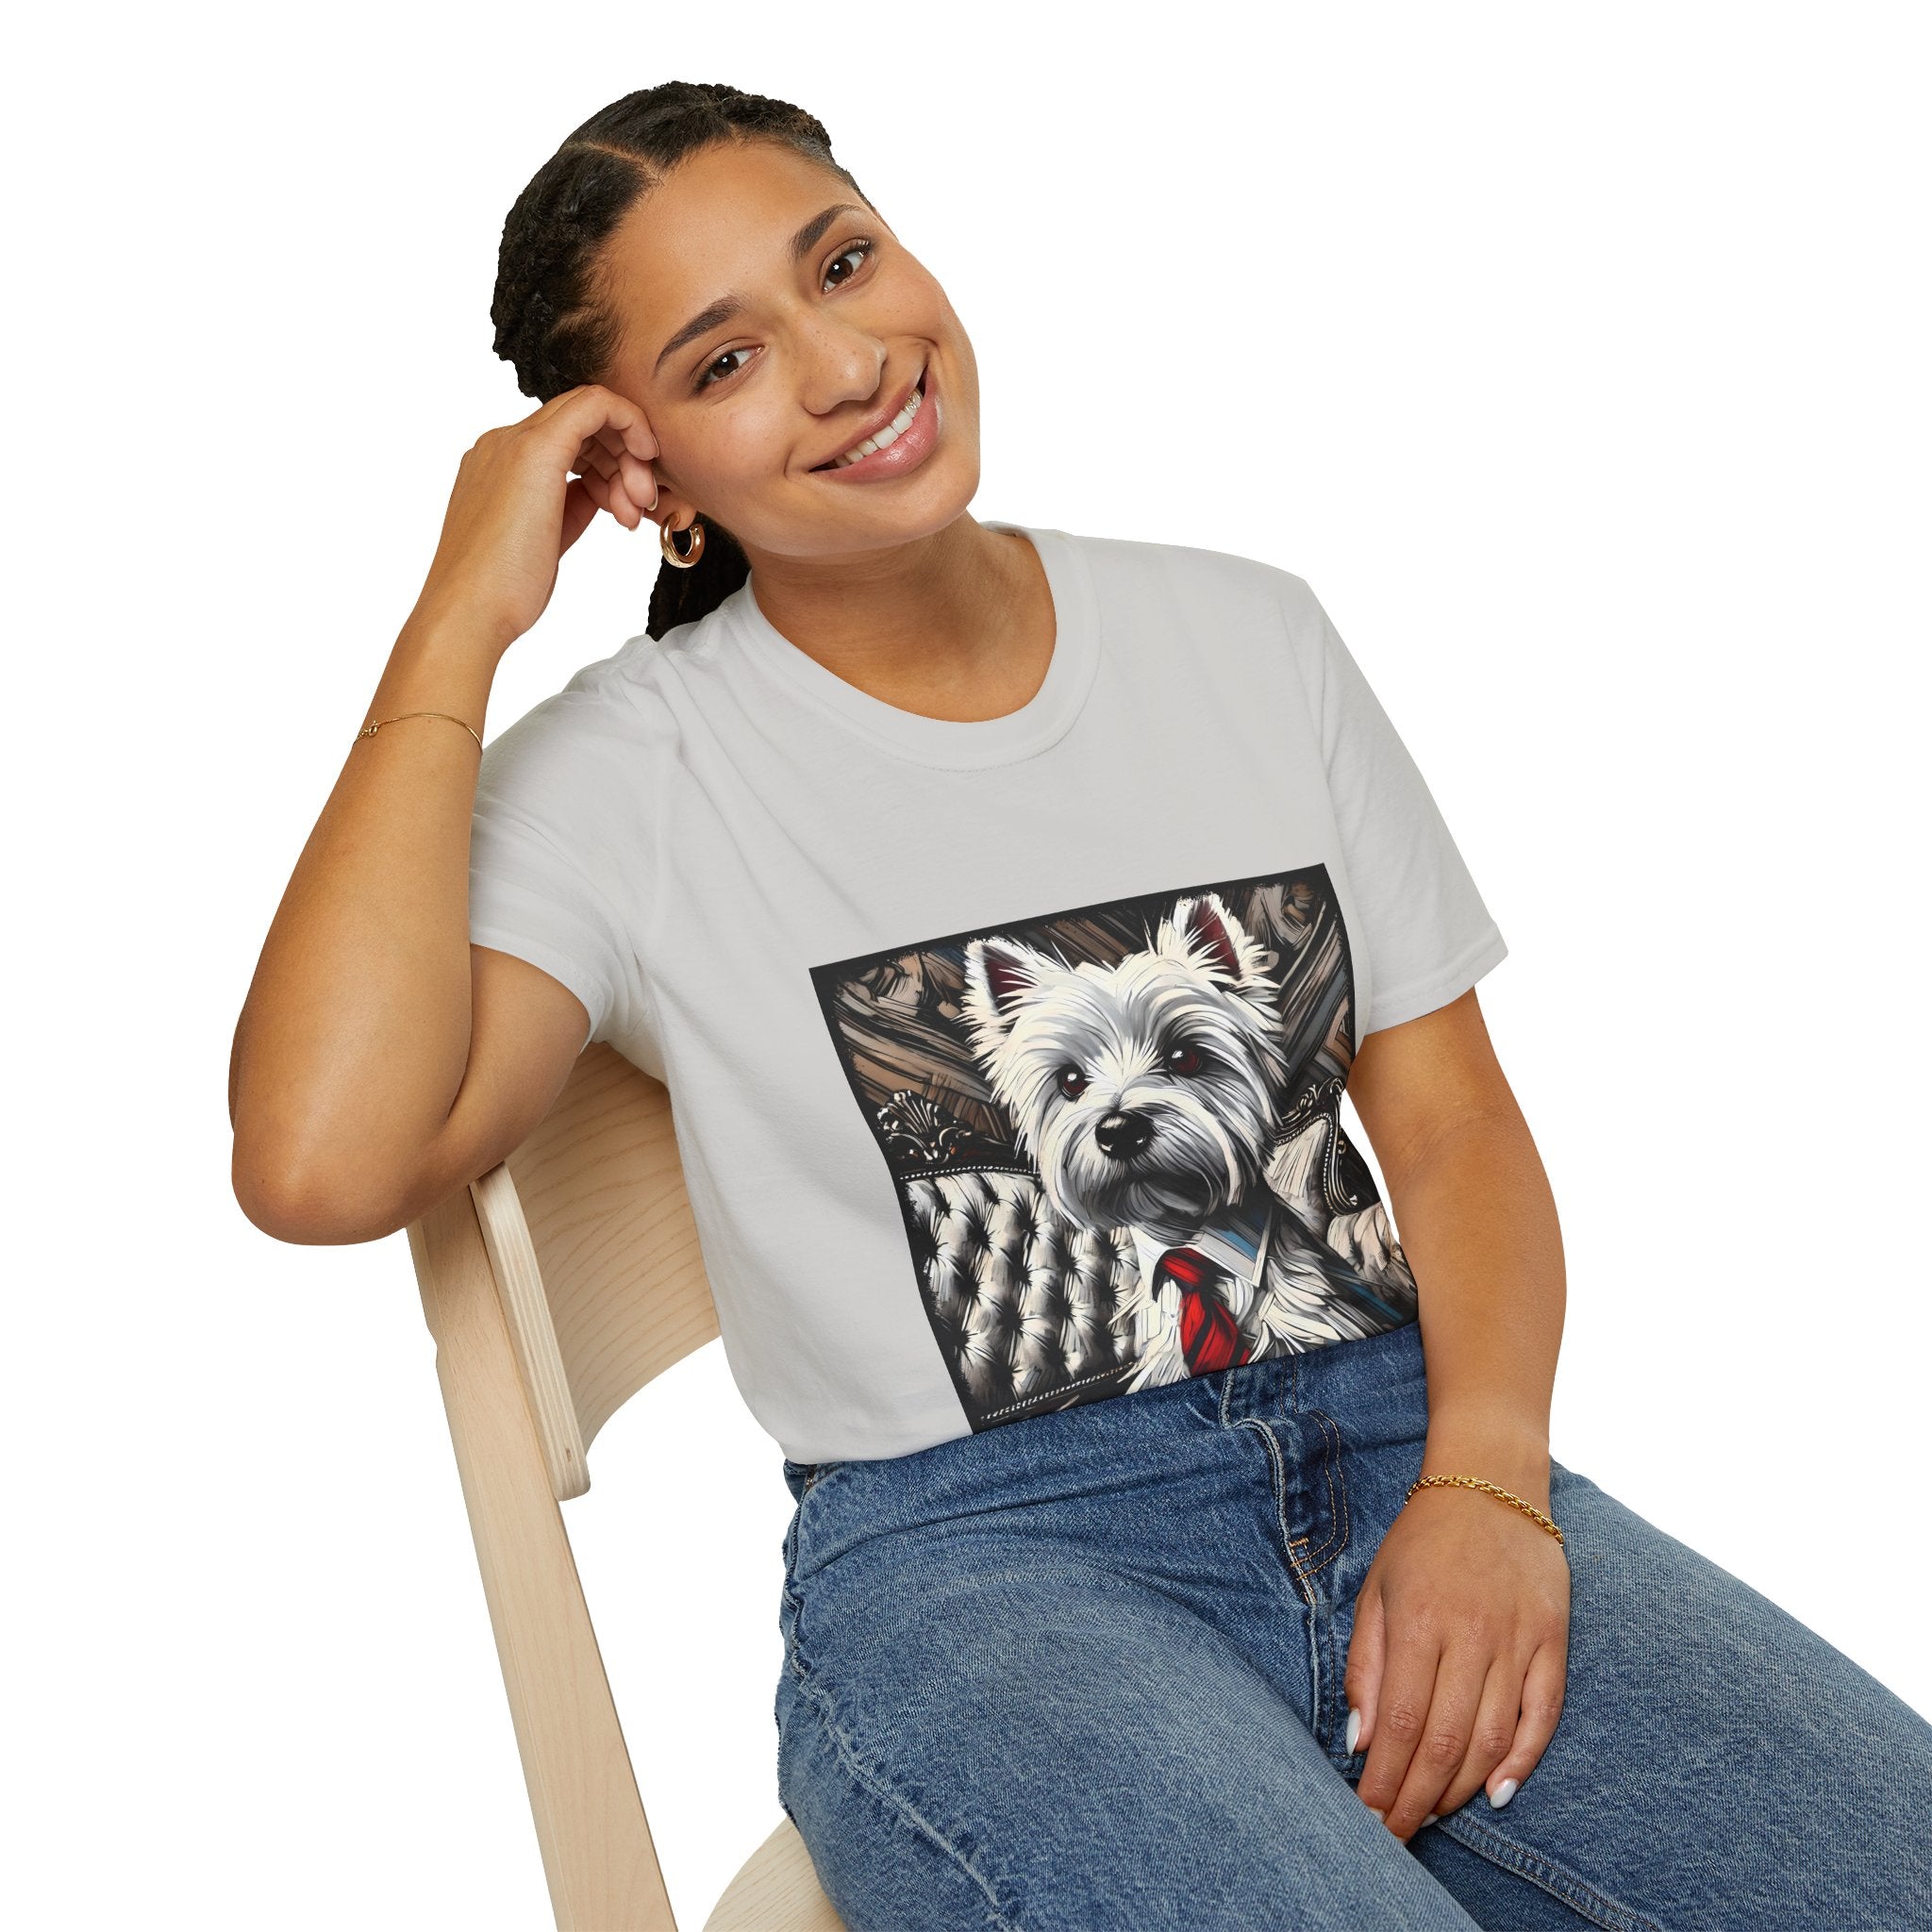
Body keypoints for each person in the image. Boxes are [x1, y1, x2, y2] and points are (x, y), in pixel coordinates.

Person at [228, 81, 1932, 1932]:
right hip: (983, 1566)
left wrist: (1490, 1486)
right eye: (725, 362)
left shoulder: (1245, 636)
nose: (845, 362)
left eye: (845, 263)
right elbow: (321, 1158)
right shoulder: (629, 774)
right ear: (647, 479)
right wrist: (456, 620)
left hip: (1402, 1442)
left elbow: (1448, 1126)